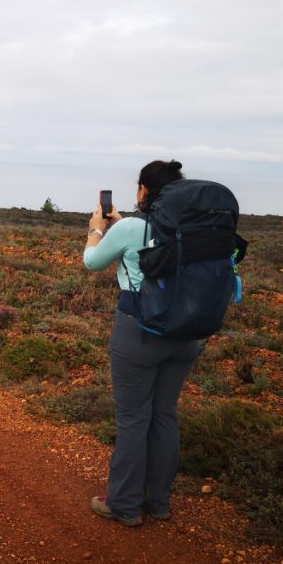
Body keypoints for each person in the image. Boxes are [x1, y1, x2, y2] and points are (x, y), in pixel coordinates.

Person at [82, 159, 201, 527]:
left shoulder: (132, 227)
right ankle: (159, 502)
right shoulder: (195, 228)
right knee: (164, 415)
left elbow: (93, 262)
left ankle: (125, 505)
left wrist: (97, 230)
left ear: (144, 191)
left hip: (139, 330)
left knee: (134, 419)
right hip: (186, 334)